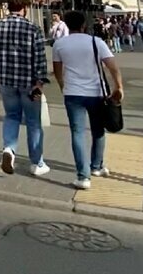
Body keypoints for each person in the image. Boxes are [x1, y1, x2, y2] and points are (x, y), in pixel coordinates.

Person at [52, 10, 124, 190]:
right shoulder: (96, 41)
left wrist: (63, 86)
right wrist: (118, 87)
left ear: (67, 24)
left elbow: (57, 71)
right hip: (96, 93)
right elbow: (113, 67)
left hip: (72, 93)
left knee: (77, 133)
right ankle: (96, 166)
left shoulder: (59, 44)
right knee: (98, 130)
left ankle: (83, 177)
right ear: (84, 24)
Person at [0, 0, 49, 177]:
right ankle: (37, 163)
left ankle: (9, 149)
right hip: (29, 83)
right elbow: (40, 57)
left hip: (6, 81)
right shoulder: (33, 28)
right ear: (24, 8)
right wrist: (40, 81)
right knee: (33, 121)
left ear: (9, 7)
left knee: (11, 116)